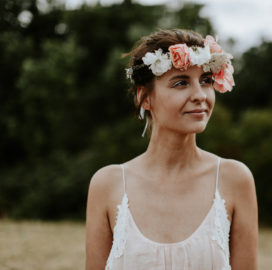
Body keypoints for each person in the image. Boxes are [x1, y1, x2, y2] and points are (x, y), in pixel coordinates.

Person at [85, 29, 258, 270]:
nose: (200, 95)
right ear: (144, 98)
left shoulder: (235, 179)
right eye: (180, 83)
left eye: (206, 81)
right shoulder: (107, 184)